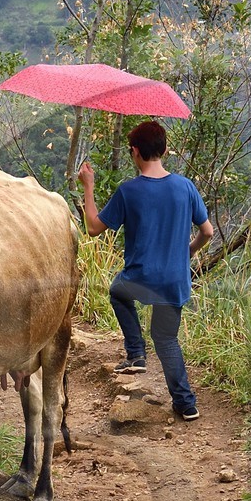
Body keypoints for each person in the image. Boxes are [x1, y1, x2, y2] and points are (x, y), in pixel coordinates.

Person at [78, 120, 214, 421]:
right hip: (173, 281)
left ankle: (136, 354)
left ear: (135, 152)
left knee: (117, 292)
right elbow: (208, 232)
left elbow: (93, 228)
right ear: (165, 150)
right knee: (166, 339)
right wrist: (187, 253)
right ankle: (186, 404)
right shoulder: (185, 186)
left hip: (140, 279)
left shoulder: (129, 191)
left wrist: (88, 186)